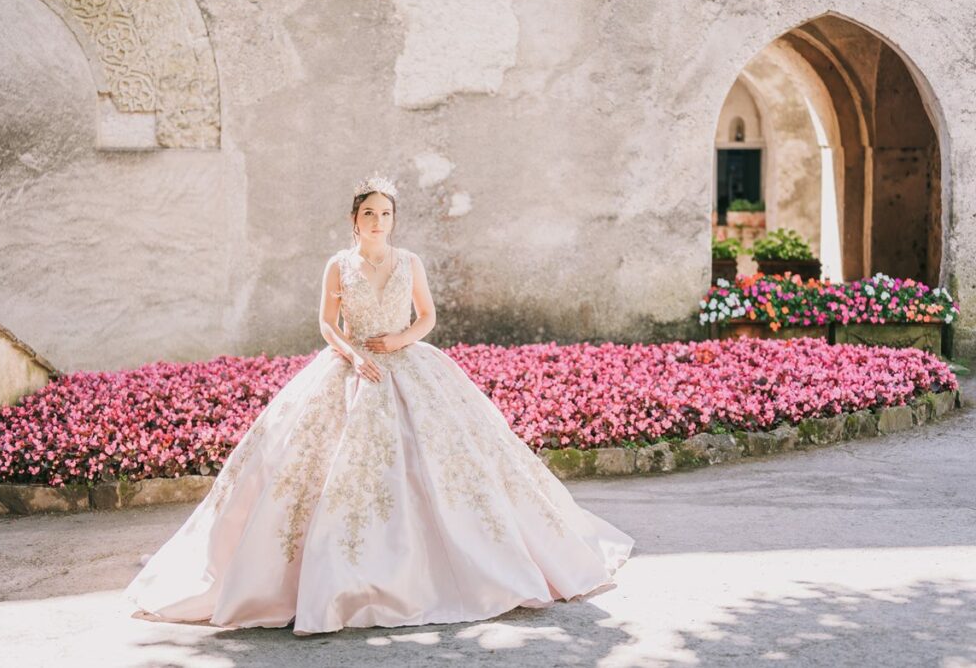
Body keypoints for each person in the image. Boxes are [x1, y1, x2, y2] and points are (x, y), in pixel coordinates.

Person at [124, 174, 634, 636]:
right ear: (354, 219)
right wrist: (353, 354)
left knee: (446, 462)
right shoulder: (338, 265)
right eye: (369, 213)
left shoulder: (409, 262)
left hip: (408, 360)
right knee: (311, 466)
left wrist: (403, 338)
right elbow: (326, 325)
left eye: (386, 213)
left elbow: (429, 314)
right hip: (350, 365)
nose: (378, 221)